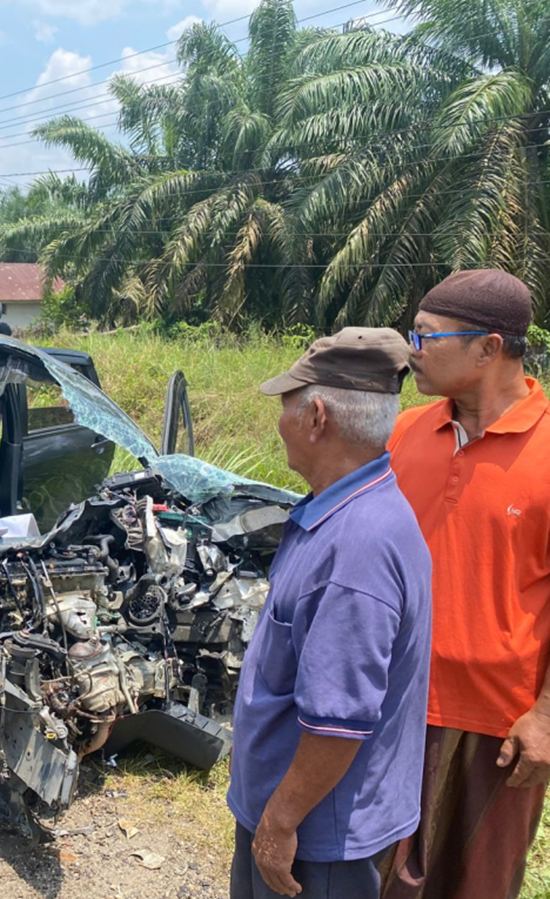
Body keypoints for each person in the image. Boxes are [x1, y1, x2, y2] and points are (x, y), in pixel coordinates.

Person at [228, 327, 432, 899]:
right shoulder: (344, 512)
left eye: (287, 407)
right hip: (300, 817)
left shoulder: (357, 550)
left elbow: (337, 722)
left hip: (316, 839)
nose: (279, 423)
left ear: (318, 417)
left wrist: (280, 822)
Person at [381, 270, 550, 899]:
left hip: (494, 726)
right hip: (392, 704)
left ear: (489, 348)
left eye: (425, 336)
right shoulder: (405, 437)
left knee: (474, 882)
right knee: (380, 878)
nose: (411, 351)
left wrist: (547, 717)